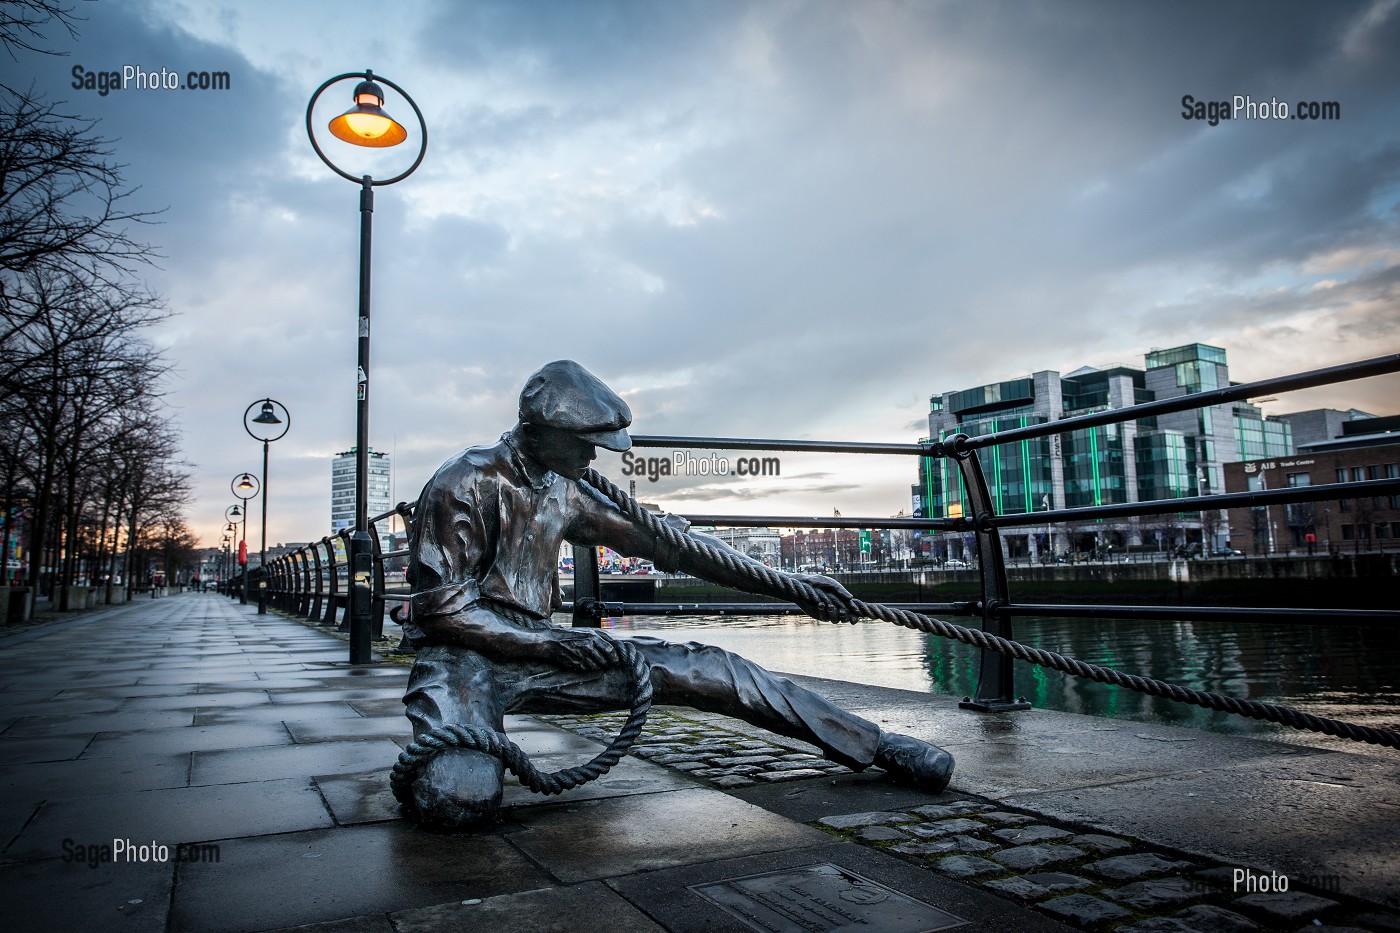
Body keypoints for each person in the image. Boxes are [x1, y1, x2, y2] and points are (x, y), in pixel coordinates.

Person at [404, 360, 954, 829]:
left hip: (546, 650)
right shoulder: (462, 482)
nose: (596, 458)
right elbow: (443, 614)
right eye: (587, 445)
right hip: (466, 658)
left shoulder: (567, 489)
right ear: (545, 432)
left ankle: (876, 745)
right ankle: (454, 751)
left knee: (714, 668)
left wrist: (795, 587)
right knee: (460, 802)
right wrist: (550, 647)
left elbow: (674, 547)